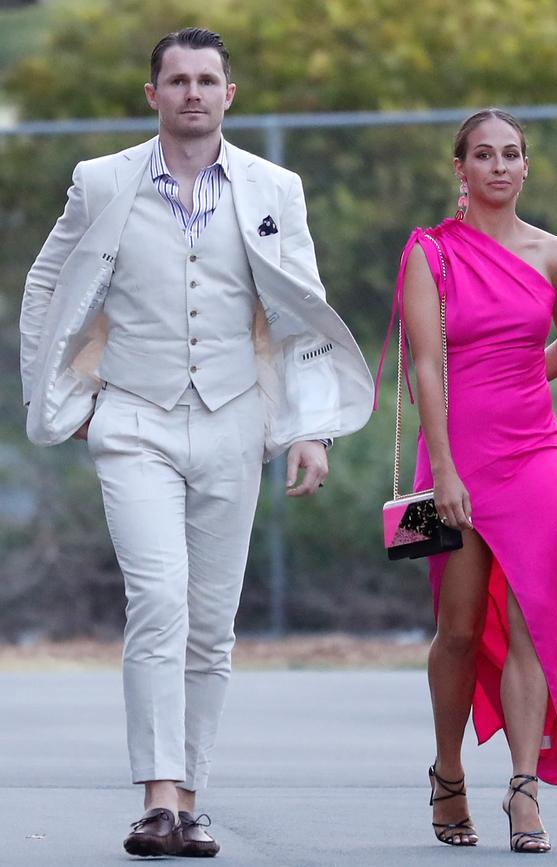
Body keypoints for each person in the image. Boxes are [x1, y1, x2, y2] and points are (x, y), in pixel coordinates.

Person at [20, 27, 373, 858]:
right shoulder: (100, 180)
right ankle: (154, 799)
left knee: (211, 625)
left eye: (206, 80)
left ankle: (190, 798)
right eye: (175, 80)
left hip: (232, 417)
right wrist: (62, 397)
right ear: (153, 96)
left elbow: (302, 309)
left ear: (228, 94)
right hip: (132, 417)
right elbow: (47, 282)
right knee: (160, 603)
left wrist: (307, 428)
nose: (191, 93)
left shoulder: (273, 187)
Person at [399, 109, 557, 852]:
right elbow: (425, 366)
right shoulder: (429, 252)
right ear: (461, 169)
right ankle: (448, 774)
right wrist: (443, 466)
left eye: (512, 154)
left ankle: (523, 789)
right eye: (484, 155)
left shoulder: (556, 255)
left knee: (535, 620)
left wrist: (521, 384)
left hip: (536, 451)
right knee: (457, 626)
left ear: (526, 165)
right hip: (449, 456)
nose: (500, 167)